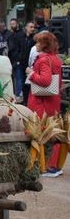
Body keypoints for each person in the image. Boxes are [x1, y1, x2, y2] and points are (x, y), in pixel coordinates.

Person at [26, 31, 64, 177]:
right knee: (52, 131)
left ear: (44, 44)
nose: (36, 45)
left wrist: (30, 73)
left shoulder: (42, 59)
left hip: (41, 102)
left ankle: (45, 166)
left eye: (38, 42)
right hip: (52, 100)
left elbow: (45, 80)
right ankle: (53, 165)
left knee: (39, 131)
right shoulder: (55, 59)